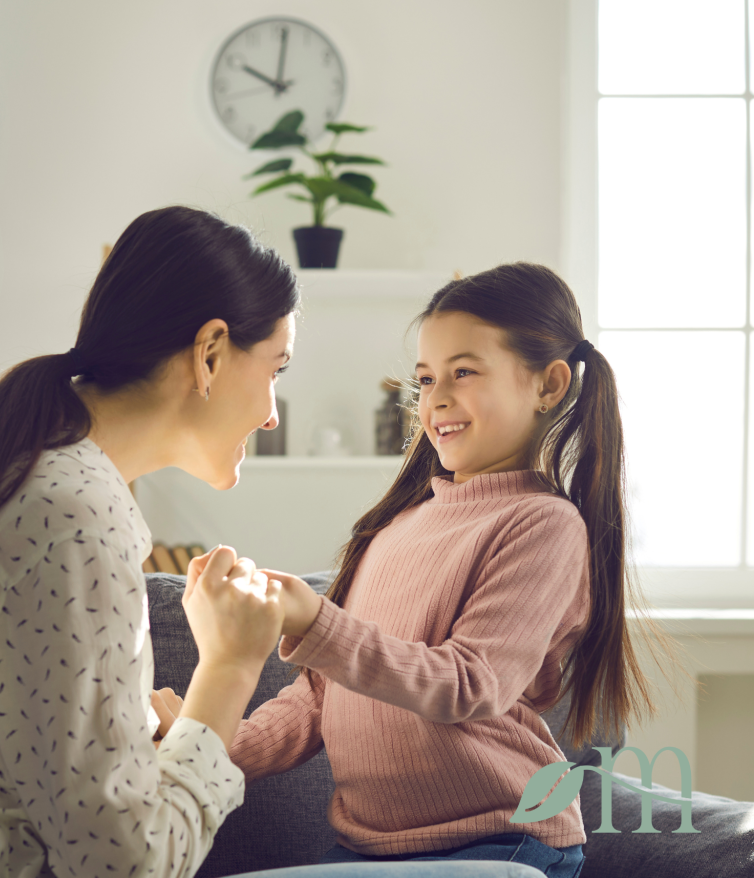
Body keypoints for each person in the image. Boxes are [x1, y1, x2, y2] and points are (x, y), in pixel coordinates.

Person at [0, 205, 299, 878]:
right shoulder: (74, 514)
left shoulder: (35, 476)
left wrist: (150, 744)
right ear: (210, 351)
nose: (273, 409)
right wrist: (231, 667)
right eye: (276, 367)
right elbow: (123, 866)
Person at [219, 262, 663, 878]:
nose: (438, 399)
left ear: (549, 385)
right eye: (426, 379)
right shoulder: (398, 525)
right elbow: (322, 695)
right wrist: (210, 745)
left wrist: (317, 621)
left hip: (500, 840)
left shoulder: (543, 524)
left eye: (464, 372)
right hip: (370, 849)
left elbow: (471, 684)